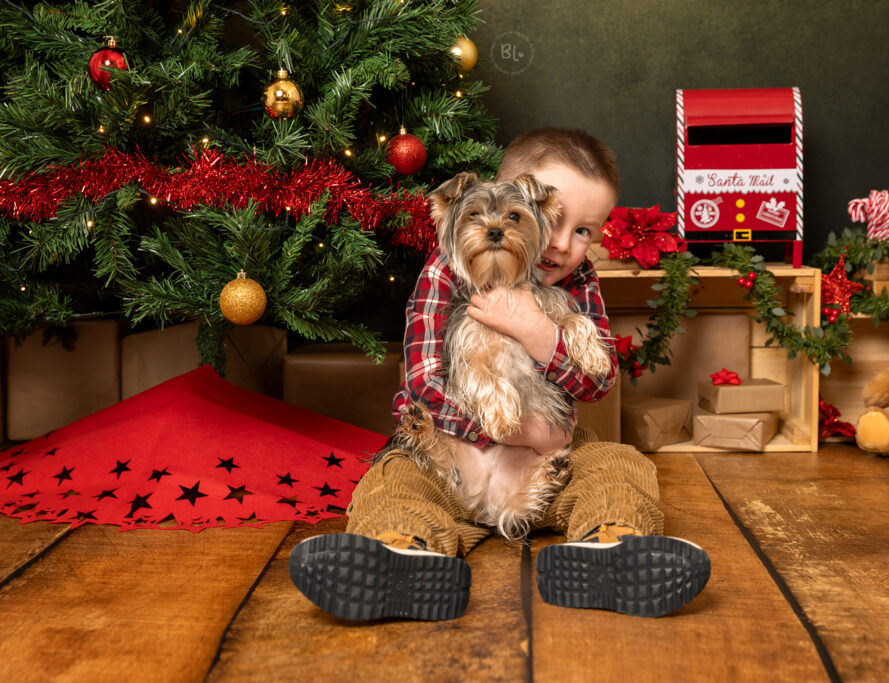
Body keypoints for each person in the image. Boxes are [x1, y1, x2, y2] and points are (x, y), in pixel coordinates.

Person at [289, 128, 711, 621]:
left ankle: (612, 547)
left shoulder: (577, 280)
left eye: (583, 231)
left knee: (618, 463)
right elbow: (421, 385)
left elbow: (598, 382)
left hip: (540, 469)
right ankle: (399, 552)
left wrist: (540, 334)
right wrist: (519, 432)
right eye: (552, 218)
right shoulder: (445, 271)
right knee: (395, 477)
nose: (561, 244)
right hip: (450, 455)